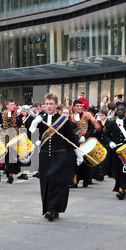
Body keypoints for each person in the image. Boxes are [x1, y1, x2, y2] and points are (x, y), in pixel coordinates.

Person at [29, 93, 81, 221]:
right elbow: (32, 134)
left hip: (60, 155)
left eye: (51, 104)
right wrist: (34, 124)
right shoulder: (40, 119)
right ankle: (50, 208)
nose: (49, 106)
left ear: (56, 105)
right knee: (45, 181)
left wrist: (78, 154)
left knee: (56, 181)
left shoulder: (63, 120)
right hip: (45, 155)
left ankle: (52, 209)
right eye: (47, 104)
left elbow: (71, 139)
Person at [104, 103, 126, 199]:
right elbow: (106, 135)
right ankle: (120, 186)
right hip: (116, 151)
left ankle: (122, 189)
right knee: (116, 170)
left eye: (122, 110)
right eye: (118, 110)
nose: (120, 111)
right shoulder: (112, 123)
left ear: (125, 112)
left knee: (125, 169)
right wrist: (110, 142)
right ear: (116, 111)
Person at [71, 99, 101, 188]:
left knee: (85, 162)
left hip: (85, 141)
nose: (79, 108)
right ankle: (75, 181)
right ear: (74, 107)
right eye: (77, 106)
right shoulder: (71, 116)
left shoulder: (87, 115)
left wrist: (85, 136)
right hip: (75, 141)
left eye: (80, 106)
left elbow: (92, 128)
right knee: (75, 161)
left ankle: (86, 180)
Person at [1, 98, 23, 183]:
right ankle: (8, 172)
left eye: (13, 104)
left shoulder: (16, 114)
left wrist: (19, 117)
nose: (12, 106)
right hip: (6, 137)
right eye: (10, 105)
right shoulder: (3, 114)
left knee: (13, 155)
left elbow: (19, 124)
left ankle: (11, 174)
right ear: (6, 106)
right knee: (7, 156)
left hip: (14, 137)